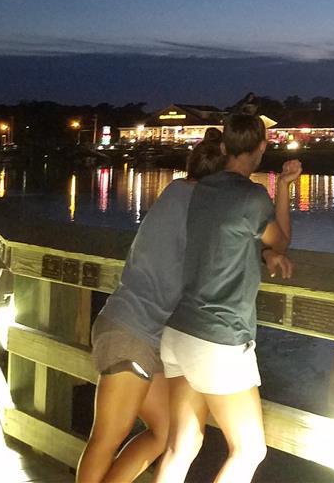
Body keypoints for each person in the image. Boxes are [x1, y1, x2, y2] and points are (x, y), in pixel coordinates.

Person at [78, 130, 293, 483]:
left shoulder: (176, 191)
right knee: (107, 438)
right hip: (134, 330)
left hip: (151, 333)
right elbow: (226, 242)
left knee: (166, 434)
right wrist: (268, 249)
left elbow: (219, 244)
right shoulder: (201, 205)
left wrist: (262, 250)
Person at [154, 113, 300, 483]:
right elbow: (281, 239)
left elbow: (229, 236)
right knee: (249, 451)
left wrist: (263, 252)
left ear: (223, 146)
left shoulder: (203, 189)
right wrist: (284, 186)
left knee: (180, 446)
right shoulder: (252, 196)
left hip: (179, 331)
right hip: (219, 338)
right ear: (262, 147)